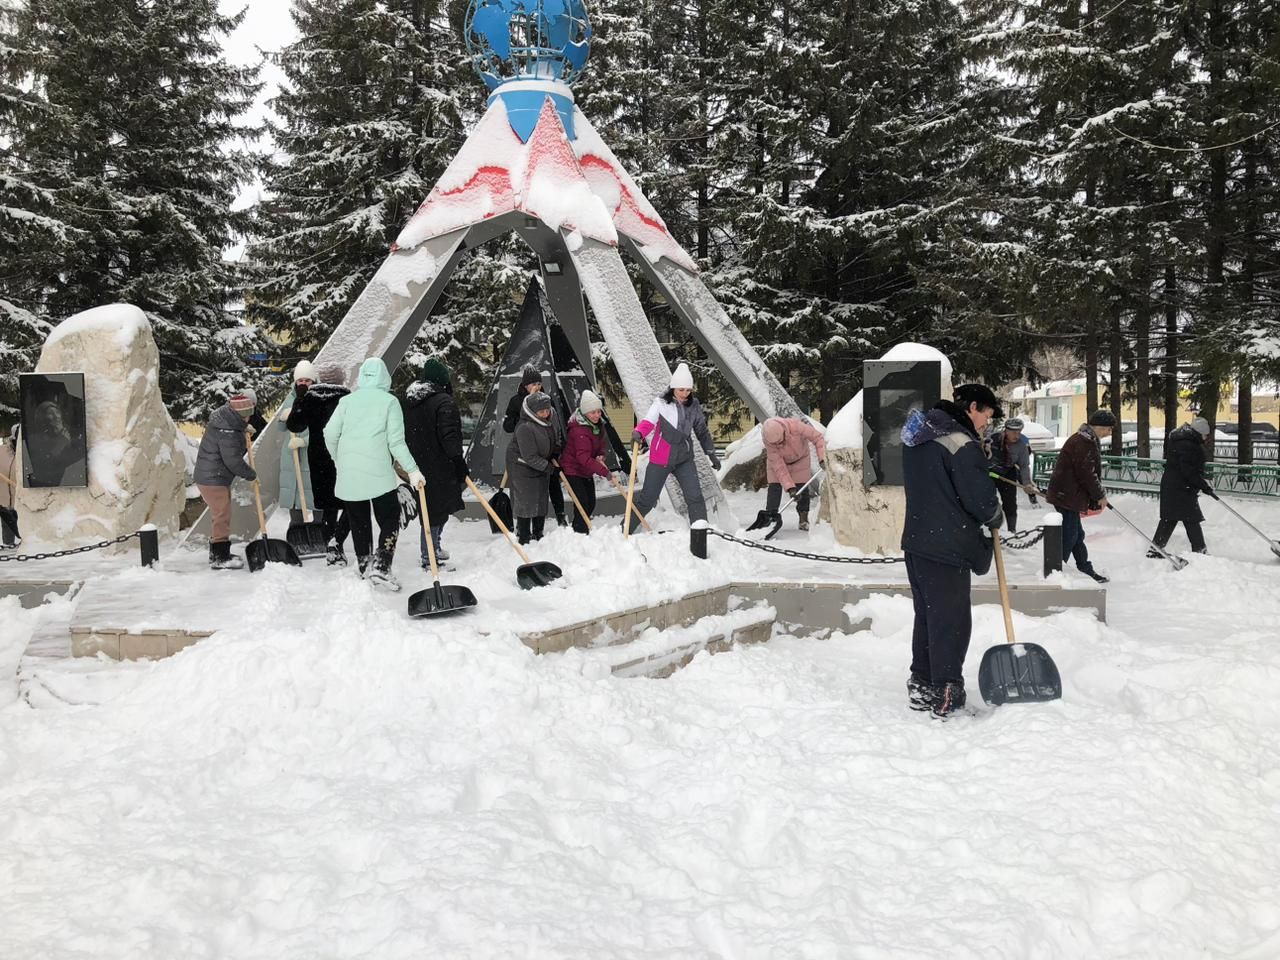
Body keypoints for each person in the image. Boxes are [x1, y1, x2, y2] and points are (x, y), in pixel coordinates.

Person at [901, 383, 1004, 719]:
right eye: (986, 415)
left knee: (929, 616)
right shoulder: (960, 444)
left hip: (918, 541)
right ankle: (947, 690)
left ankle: (922, 683)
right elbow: (979, 498)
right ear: (973, 407)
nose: (986, 423)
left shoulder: (919, 436)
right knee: (951, 620)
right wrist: (994, 513)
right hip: (947, 546)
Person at [324, 358, 424, 590]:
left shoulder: (347, 401)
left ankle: (365, 565)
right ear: (383, 377)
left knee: (358, 520)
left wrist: (339, 459)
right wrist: (413, 470)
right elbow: (396, 443)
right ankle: (382, 565)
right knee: (389, 518)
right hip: (378, 472)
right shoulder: (389, 402)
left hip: (349, 474)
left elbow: (329, 433)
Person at [627, 363, 721, 532]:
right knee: (648, 499)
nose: (685, 394)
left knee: (695, 497)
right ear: (673, 388)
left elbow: (702, 431)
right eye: (681, 390)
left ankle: (700, 535)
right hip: (661, 458)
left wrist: (711, 453)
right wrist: (638, 433)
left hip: (684, 458)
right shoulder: (661, 403)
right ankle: (625, 529)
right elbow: (648, 422)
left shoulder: (693, 406)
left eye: (688, 390)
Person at [402, 359, 467, 567]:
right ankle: (428, 555)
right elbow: (449, 436)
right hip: (440, 464)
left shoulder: (409, 402)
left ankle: (433, 548)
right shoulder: (444, 402)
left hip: (418, 464)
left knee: (429, 509)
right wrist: (458, 460)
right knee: (438, 510)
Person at [287, 364, 352, 564]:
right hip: (343, 456)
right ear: (341, 379)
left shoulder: (309, 399)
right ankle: (337, 541)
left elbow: (295, 424)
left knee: (328, 505)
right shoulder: (347, 400)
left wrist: (299, 400)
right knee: (352, 502)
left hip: (318, 458)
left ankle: (330, 542)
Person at [1045, 409, 1113, 583]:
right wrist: (1099, 495)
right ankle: (1055, 573)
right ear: (1098, 427)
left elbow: (1087, 474)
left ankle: (1084, 568)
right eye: (1108, 428)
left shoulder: (1086, 439)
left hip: (1069, 494)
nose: (1109, 433)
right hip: (1067, 495)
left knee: (1076, 535)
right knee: (1070, 536)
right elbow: (1087, 474)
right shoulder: (1083, 442)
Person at [193, 390, 258, 570]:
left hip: (214, 475)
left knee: (222, 514)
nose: (248, 420)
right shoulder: (227, 431)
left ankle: (220, 553)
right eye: (246, 417)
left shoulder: (226, 421)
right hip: (213, 478)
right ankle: (219, 557)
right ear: (239, 414)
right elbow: (233, 461)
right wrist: (251, 474)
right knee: (221, 515)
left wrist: (243, 430)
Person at [503, 366, 567, 527]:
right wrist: (524, 421)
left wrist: (556, 449)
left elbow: (555, 424)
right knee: (524, 489)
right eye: (533, 383)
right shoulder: (516, 401)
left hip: (546, 449)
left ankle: (560, 514)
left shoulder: (546, 400)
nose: (537, 386)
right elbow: (507, 426)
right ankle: (522, 523)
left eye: (539, 383)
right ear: (525, 385)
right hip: (525, 449)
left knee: (551, 482)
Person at [1150, 417, 1214, 556]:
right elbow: (1189, 471)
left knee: (1171, 518)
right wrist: (1204, 486)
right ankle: (1200, 551)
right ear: (1198, 433)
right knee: (1191, 519)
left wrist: (1201, 484)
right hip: (1181, 489)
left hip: (1175, 487)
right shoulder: (1188, 445)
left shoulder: (1182, 441)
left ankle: (1156, 549)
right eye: (1204, 435)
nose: (1205, 438)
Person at [760, 416, 826, 532]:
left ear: (784, 431)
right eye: (776, 443)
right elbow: (778, 466)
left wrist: (822, 458)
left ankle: (803, 519)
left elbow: (818, 438)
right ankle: (770, 517)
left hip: (800, 459)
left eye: (781, 440)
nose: (779, 444)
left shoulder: (796, 426)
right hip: (778, 463)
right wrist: (790, 488)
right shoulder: (768, 440)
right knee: (774, 488)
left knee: (802, 488)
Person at [507, 390, 557, 544]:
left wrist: (555, 453)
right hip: (522, 467)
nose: (545, 414)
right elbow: (529, 456)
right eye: (541, 411)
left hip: (540, 464)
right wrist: (548, 467)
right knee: (526, 500)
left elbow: (552, 441)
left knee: (541, 497)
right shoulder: (525, 427)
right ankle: (524, 536)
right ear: (532, 411)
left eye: (547, 410)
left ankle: (538, 532)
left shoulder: (547, 423)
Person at [561, 390, 611, 533]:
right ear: (584, 413)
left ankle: (580, 529)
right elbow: (583, 458)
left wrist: (601, 455)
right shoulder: (579, 431)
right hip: (572, 469)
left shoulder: (597, 425)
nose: (596, 415)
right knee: (582, 502)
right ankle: (580, 532)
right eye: (592, 412)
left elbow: (600, 444)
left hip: (585, 470)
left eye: (598, 411)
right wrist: (604, 472)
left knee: (591, 502)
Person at [277, 361, 317, 527]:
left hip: (311, 455)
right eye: (300, 380)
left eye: (307, 380)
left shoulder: (318, 400)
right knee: (294, 493)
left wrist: (304, 441)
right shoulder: (290, 400)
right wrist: (282, 418)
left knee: (315, 494)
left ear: (313, 381)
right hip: (291, 456)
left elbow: (325, 430)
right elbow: (281, 428)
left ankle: (318, 530)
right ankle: (297, 529)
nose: (303, 384)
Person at [988, 417, 1037, 532]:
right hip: (989, 473)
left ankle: (1012, 530)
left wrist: (1027, 483)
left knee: (1010, 503)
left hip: (1007, 473)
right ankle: (989, 529)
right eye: (1014, 432)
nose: (1017, 435)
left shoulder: (1021, 446)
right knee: (988, 501)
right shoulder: (993, 440)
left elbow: (1024, 466)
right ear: (1006, 430)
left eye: (1019, 432)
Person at [0, 425, 20, 548]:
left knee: (23, 531)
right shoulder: (1, 451)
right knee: (8, 535)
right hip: (2, 502)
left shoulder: (29, 453)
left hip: (20, 501)